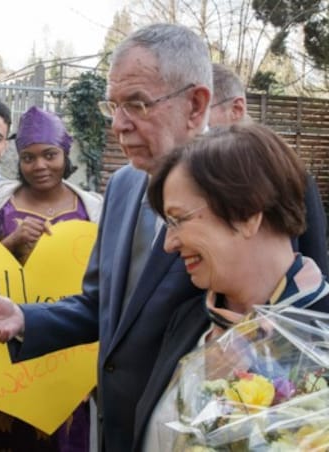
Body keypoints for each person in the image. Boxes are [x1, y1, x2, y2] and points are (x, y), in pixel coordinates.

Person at [0, 23, 212, 451]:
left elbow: (289, 333)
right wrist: (25, 319)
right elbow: (99, 305)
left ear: (195, 104)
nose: (118, 125)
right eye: (112, 106)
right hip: (116, 428)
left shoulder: (246, 188)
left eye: (136, 104)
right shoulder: (123, 187)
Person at [138, 123, 329, 451]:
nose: (168, 244)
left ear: (246, 214)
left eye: (178, 219)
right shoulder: (187, 320)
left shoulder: (320, 331)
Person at [0, 106, 102, 451]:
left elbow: (101, 287)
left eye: (49, 155)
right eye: (28, 157)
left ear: (65, 155)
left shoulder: (93, 209)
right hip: (1, 354)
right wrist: (12, 244)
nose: (39, 166)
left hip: (66, 354)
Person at [210, 62, 328, 274]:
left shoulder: (290, 174)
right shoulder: (201, 175)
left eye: (201, 109)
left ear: (236, 109)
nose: (193, 122)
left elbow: (317, 268)